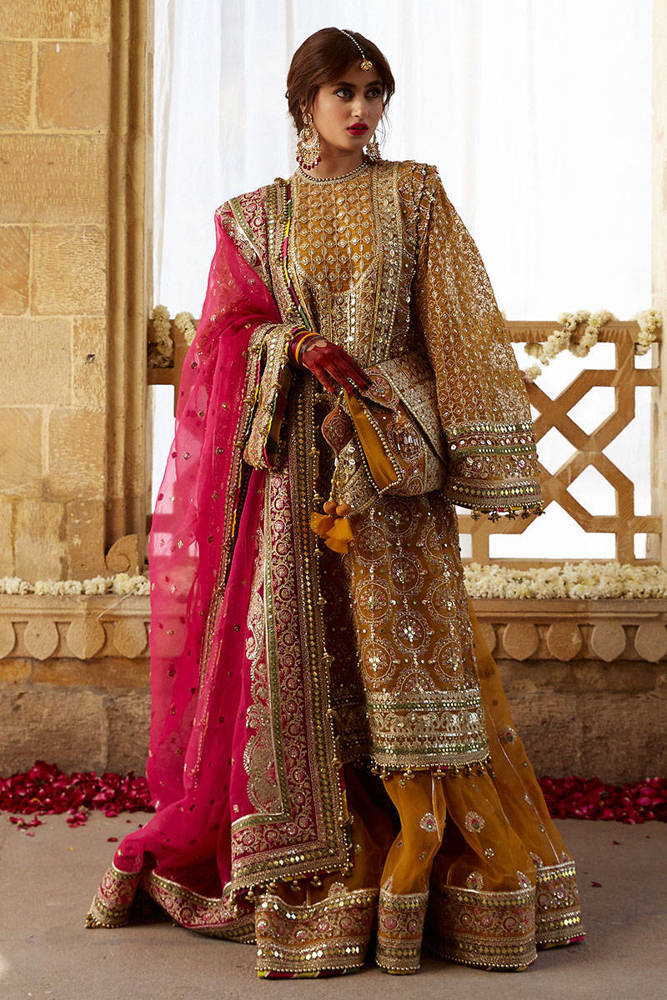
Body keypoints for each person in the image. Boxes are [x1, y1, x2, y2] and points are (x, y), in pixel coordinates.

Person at [86, 26, 584, 978]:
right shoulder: (254, 217)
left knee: (406, 664)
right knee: (305, 659)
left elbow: (461, 324)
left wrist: (396, 412)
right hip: (293, 481)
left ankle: (423, 857)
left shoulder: (416, 198)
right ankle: (312, 843)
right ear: (302, 106)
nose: (361, 110)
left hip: (389, 473)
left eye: (372, 92)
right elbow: (224, 338)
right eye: (341, 92)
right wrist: (292, 350)